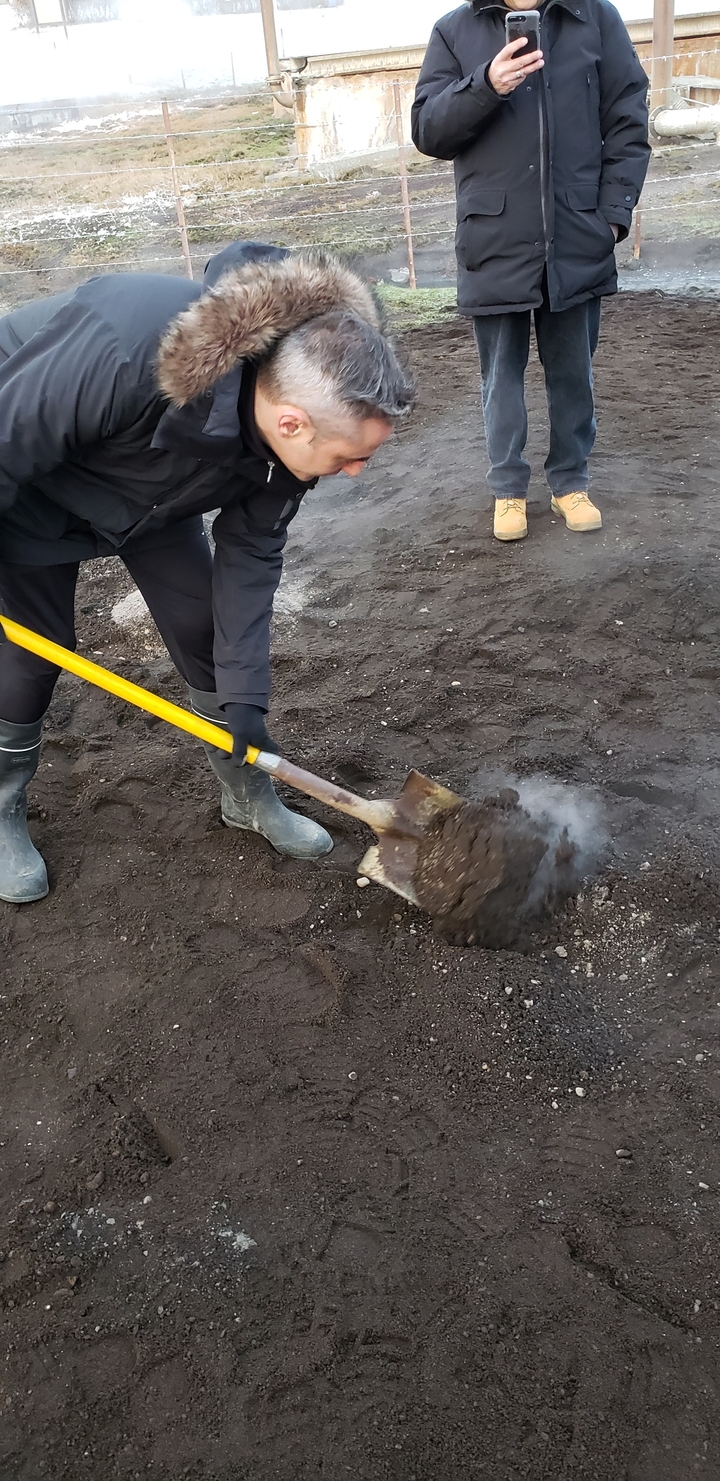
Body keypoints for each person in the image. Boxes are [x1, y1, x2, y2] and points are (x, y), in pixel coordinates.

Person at [0, 242, 414, 904]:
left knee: (203, 626)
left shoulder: (291, 448)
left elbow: (250, 560)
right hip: (27, 477)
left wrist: (245, 700)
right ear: (292, 421)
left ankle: (247, 794)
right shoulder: (128, 340)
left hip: (148, 494)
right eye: (349, 455)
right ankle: (1, 809)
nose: (356, 471)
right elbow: (7, 438)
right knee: (28, 655)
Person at [412, 0, 649, 541]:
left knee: (573, 374)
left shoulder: (595, 18)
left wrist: (612, 216)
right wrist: (486, 85)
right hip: (494, 237)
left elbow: (627, 116)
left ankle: (571, 482)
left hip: (576, 235)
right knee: (500, 379)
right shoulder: (454, 31)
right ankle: (508, 491)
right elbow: (428, 131)